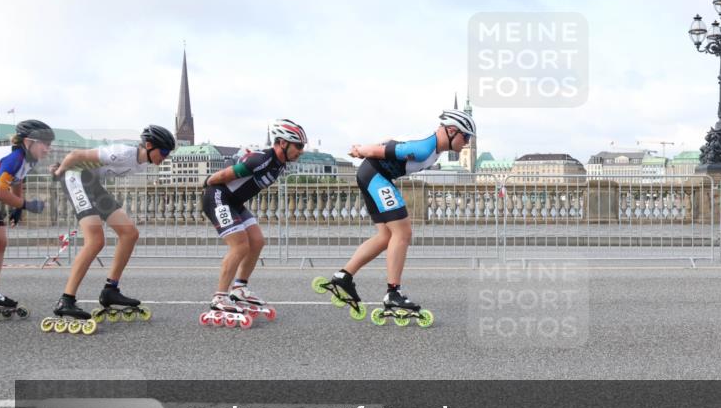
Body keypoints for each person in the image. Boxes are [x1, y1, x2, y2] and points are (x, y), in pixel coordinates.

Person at [327, 108, 476, 313]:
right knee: (403, 233)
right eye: (466, 136)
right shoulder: (425, 147)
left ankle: (343, 276)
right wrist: (360, 150)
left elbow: (390, 142)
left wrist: (366, 149)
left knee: (386, 236)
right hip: (375, 176)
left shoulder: (434, 148)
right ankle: (393, 293)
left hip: (374, 176)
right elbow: (380, 151)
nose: (467, 142)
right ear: (451, 131)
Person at [51, 125, 176, 322]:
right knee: (95, 240)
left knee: (130, 234)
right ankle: (66, 299)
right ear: (150, 145)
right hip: (75, 177)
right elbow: (75, 155)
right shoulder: (121, 153)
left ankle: (111, 289)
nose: (166, 157)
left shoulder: (143, 164)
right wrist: (58, 172)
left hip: (92, 184)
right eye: (164, 152)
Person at [201, 119, 306, 321]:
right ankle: (220, 297)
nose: (301, 151)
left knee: (257, 241)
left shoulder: (281, 164)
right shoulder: (262, 159)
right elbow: (224, 175)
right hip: (218, 197)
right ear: (283, 143)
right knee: (240, 245)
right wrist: (207, 182)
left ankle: (239, 288)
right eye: (298, 146)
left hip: (235, 202)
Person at [0, 120, 54, 317]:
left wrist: (17, 206)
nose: (48, 149)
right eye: (44, 144)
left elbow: (17, 180)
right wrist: (26, 205)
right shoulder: (14, 157)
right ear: (29, 142)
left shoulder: (28, 158)